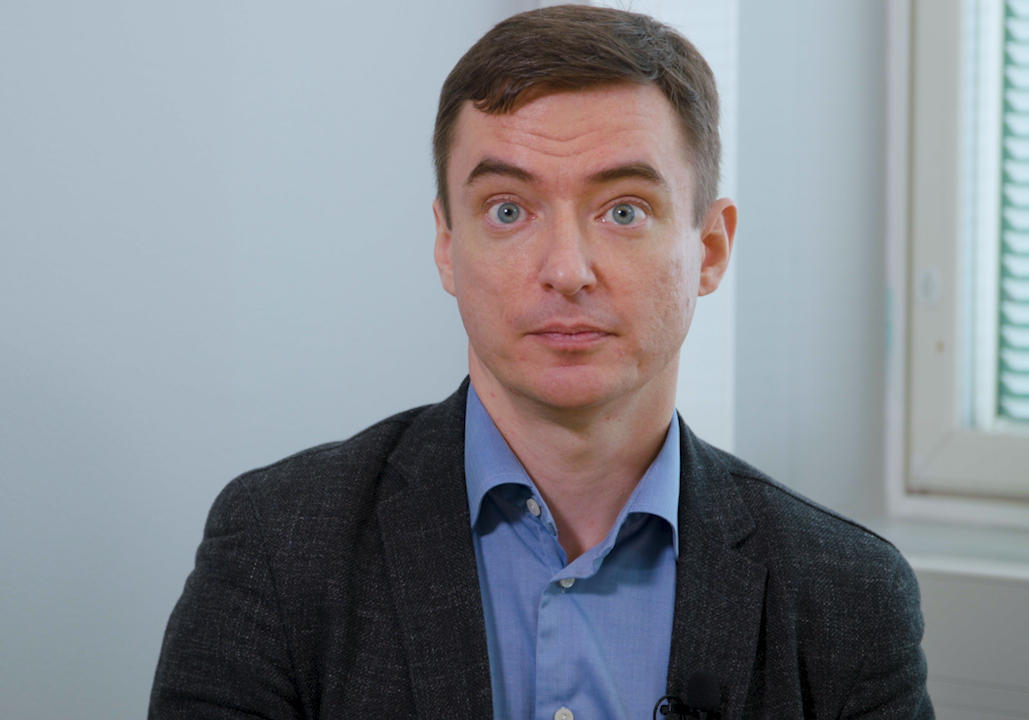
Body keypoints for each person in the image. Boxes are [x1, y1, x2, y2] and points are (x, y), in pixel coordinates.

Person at [149, 5, 932, 719]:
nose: (566, 270)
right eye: (508, 210)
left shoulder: (847, 594)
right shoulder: (278, 546)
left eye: (624, 210)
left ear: (711, 248)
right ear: (447, 246)